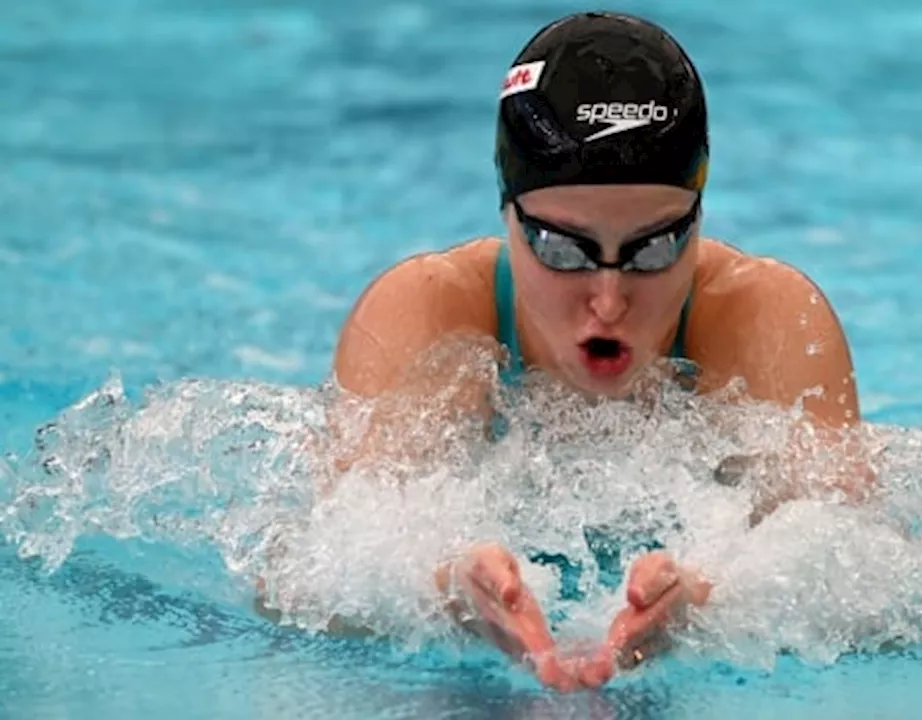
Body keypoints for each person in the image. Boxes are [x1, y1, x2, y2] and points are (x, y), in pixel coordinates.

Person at [310, 10, 867, 692]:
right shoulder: (428, 313)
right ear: (506, 213)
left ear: (699, 219)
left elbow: (862, 573)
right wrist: (445, 592)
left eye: (656, 246)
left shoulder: (764, 318)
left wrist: (711, 605)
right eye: (562, 248)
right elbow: (318, 570)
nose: (608, 297)